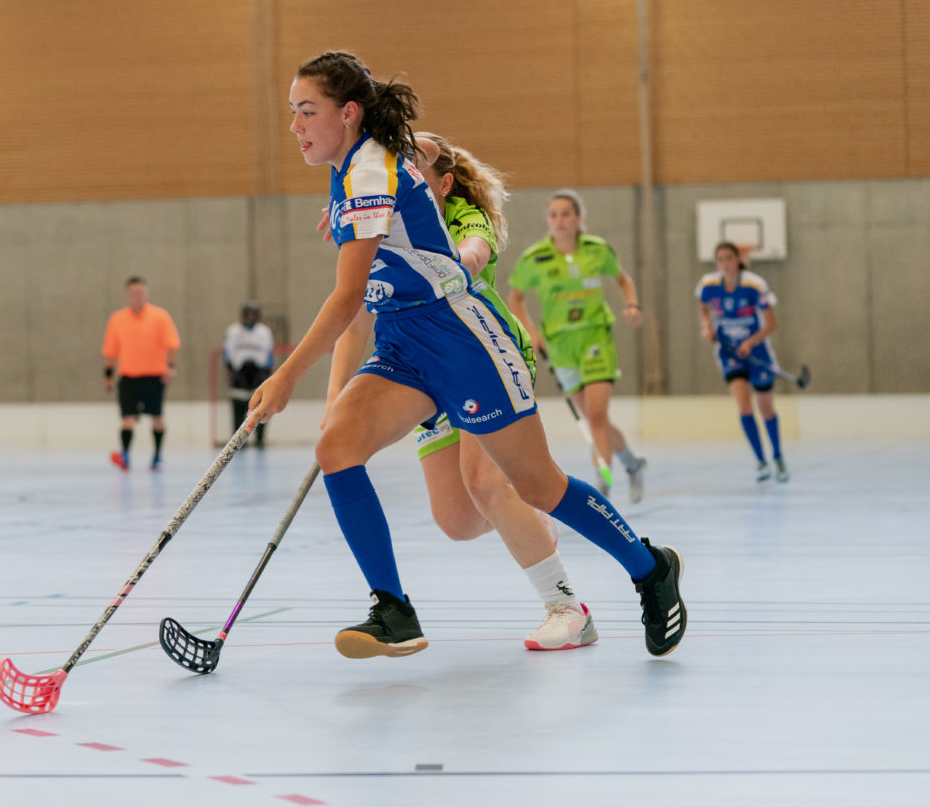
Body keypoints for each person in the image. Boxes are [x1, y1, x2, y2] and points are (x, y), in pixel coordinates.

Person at [247, 50, 685, 660]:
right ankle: (392, 610)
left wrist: (286, 376)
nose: (294, 126)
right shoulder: (352, 164)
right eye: (292, 113)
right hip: (403, 342)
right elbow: (407, 159)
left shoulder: (369, 172)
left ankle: (649, 568)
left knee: (538, 485)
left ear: (348, 114)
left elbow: (348, 298)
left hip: (459, 339)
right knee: (337, 448)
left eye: (305, 112)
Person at [400, 132, 596, 650]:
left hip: (484, 356)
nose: (404, 168)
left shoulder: (464, 216)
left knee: (484, 482)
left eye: (415, 161)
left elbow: (472, 253)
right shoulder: (383, 220)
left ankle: (566, 609)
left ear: (443, 182)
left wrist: (443, 273)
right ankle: (531, 520)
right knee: (457, 520)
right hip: (424, 371)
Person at [506, 190, 649, 502]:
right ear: (548, 219)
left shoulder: (597, 251)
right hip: (559, 346)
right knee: (595, 420)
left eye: (566, 214)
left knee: (596, 415)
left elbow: (623, 279)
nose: (560, 220)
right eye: (554, 214)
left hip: (595, 337)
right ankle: (633, 464)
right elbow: (515, 297)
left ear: (579, 218)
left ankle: (603, 488)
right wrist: (530, 331)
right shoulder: (535, 258)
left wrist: (632, 305)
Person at [696, 241, 788, 482]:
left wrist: (750, 342)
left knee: (765, 407)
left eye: (729, 258)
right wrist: (707, 328)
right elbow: (704, 310)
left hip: (758, 354)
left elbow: (771, 324)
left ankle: (778, 455)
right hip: (729, 354)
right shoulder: (708, 285)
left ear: (738, 259)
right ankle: (760, 461)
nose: (725, 264)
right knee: (744, 405)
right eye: (720, 259)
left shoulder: (754, 285)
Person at [102, 276, 181, 472]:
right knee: (127, 418)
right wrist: (108, 376)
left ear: (146, 294)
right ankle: (126, 455)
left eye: (140, 293)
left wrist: (170, 367)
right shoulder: (117, 319)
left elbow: (172, 344)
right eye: (133, 294)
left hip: (154, 376)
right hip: (129, 377)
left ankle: (157, 455)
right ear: (127, 295)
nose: (137, 297)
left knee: (157, 417)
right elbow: (111, 351)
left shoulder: (160, 317)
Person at [223, 300, 275, 448]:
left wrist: (267, 375)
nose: (250, 317)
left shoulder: (264, 332)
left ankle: (260, 440)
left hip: (258, 373)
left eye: (254, 314)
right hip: (240, 374)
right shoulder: (234, 331)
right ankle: (238, 441)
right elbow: (228, 353)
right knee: (238, 408)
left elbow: (268, 355)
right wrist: (230, 369)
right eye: (248, 314)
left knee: (260, 408)